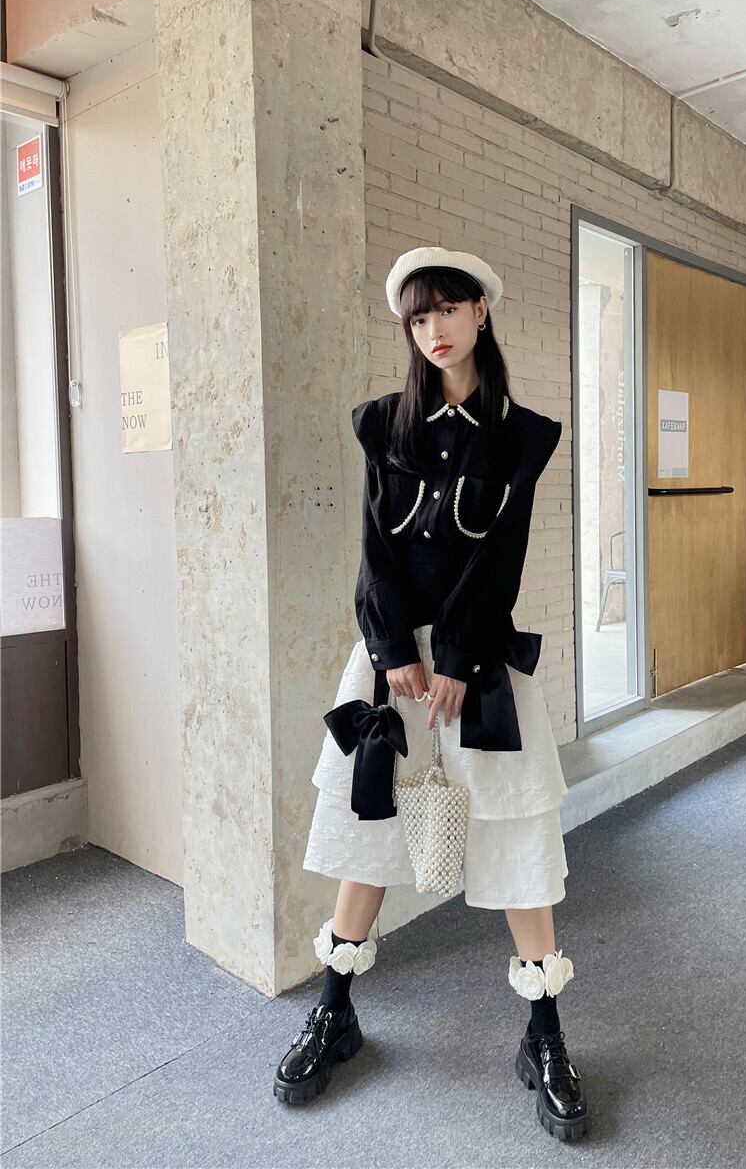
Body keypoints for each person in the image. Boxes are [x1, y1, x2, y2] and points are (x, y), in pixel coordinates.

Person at [273, 246, 589, 1141]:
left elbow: (501, 559)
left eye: (449, 309)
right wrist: (388, 651)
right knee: (370, 824)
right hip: (392, 666)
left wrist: (454, 653)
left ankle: (545, 1034)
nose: (435, 330)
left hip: (479, 663)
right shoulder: (383, 424)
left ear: (482, 311)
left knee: (516, 832)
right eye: (419, 318)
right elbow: (374, 550)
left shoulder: (525, 435)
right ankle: (334, 1012)